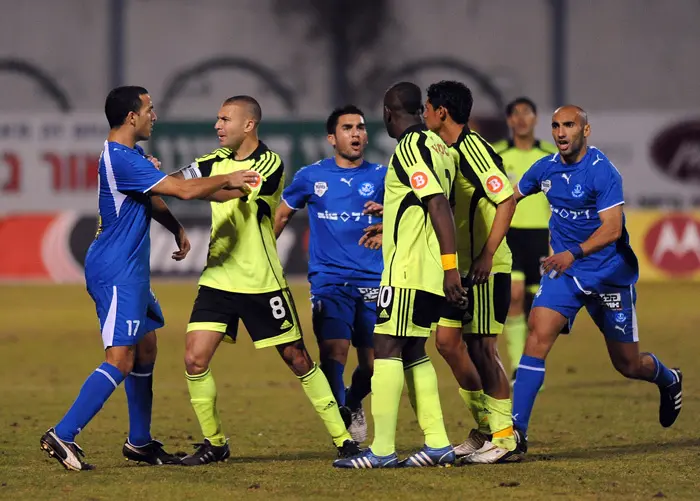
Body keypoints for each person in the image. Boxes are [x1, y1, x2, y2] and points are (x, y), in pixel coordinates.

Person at [39, 86, 258, 471]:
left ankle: (139, 442)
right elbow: (183, 190)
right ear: (131, 117)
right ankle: (63, 433)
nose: (154, 116)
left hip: (131, 269)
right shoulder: (121, 158)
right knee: (120, 359)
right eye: (149, 109)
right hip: (116, 269)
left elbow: (154, 196)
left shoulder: (132, 155)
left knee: (146, 349)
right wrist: (230, 177)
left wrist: (174, 227)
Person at [172, 96, 360, 466]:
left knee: (298, 358)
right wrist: (159, 176)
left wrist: (194, 185)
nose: (217, 126)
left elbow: (225, 191)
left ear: (248, 124)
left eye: (225, 119)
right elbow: (178, 181)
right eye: (217, 119)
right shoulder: (215, 161)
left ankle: (343, 439)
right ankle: (215, 443)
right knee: (194, 360)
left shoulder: (270, 163)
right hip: (218, 277)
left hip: (261, 281)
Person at [511, 105, 683, 453]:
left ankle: (668, 378)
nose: (561, 132)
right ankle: (516, 433)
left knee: (628, 364)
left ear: (585, 131)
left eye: (569, 125)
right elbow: (508, 197)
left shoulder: (602, 172)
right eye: (556, 125)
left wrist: (572, 252)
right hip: (566, 274)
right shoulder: (544, 169)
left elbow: (612, 229)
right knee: (537, 333)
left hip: (608, 276)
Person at [334, 82, 466, 469]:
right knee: (411, 351)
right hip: (426, 269)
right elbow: (424, 205)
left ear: (389, 112)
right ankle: (438, 443)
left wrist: (450, 267)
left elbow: (438, 205)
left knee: (385, 348)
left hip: (410, 270)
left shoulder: (410, 146)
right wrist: (389, 224)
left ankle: (382, 450)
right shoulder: (441, 148)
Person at [274, 105, 386, 443]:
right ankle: (343, 436)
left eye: (361, 127)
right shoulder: (310, 176)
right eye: (348, 128)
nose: (356, 134)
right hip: (329, 280)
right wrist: (264, 255)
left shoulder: (383, 176)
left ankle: (352, 402)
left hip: (373, 279)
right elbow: (280, 216)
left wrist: (389, 218)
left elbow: (409, 212)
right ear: (331, 138)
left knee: (373, 366)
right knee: (333, 353)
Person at [423, 80, 518, 464]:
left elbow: (507, 199)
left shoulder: (473, 148)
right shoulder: (443, 151)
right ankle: (485, 427)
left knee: (482, 348)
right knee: (446, 343)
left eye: (427, 108)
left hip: (485, 269)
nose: (424, 115)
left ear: (441, 112)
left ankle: (505, 437)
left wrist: (486, 255)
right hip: (458, 270)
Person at [492, 98, 558, 380]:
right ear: (509, 121)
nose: (521, 119)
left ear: (535, 118)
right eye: (515, 114)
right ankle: (519, 366)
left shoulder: (548, 155)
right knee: (514, 296)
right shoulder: (497, 154)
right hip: (511, 234)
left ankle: (533, 366)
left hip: (542, 235)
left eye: (526, 113)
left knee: (538, 306)